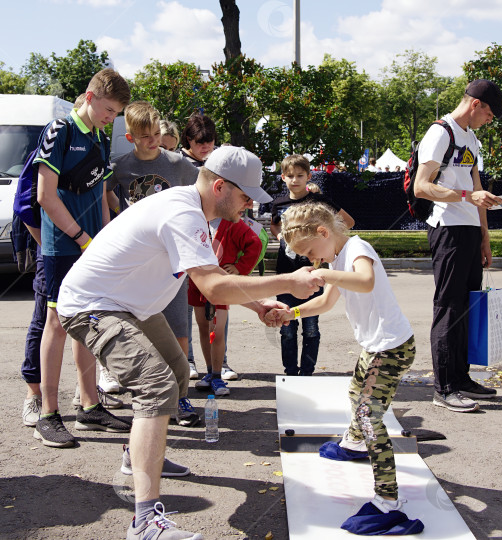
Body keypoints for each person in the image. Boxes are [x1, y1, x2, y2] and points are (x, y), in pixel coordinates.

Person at [55, 145, 323, 540]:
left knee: (179, 369)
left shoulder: (197, 209)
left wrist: (258, 304)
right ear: (219, 187)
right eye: (246, 195)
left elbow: (212, 276)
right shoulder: (184, 213)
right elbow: (214, 286)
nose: (250, 203)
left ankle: (138, 456)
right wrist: (287, 283)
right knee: (156, 385)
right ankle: (144, 523)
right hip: (92, 306)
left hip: (132, 306)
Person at [269, 202, 418, 528]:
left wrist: (323, 272)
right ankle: (352, 444)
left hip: (390, 348)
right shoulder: (337, 257)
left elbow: (366, 281)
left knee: (368, 415)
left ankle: (389, 502)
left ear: (323, 232)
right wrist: (290, 314)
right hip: (377, 346)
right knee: (355, 392)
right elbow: (324, 302)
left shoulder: (357, 248)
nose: (312, 260)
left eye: (310, 251)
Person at [33, 69, 132, 448]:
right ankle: (48, 413)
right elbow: (45, 195)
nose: (111, 117)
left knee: (87, 320)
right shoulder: (60, 130)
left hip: (91, 245)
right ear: (90, 97)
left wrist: (103, 237)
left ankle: (90, 405)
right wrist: (80, 236)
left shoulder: (99, 135)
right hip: (63, 245)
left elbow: (102, 189)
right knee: (56, 323)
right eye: (108, 109)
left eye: (116, 112)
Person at [414, 79, 502, 413]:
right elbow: (421, 187)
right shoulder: (441, 132)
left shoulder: (471, 138)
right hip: (447, 229)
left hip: (468, 230)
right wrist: (468, 197)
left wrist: (484, 236)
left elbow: (475, 184)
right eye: (491, 113)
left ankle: (462, 378)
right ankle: (444, 387)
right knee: (449, 307)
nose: (491, 119)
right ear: (475, 104)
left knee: (467, 306)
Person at [107, 101, 200, 426]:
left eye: (157, 133)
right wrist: (120, 213)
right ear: (131, 137)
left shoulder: (179, 164)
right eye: (146, 136)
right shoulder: (120, 167)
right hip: (136, 264)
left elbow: (201, 192)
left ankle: (182, 398)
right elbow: (106, 193)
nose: (154, 140)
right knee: (138, 330)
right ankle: (148, 397)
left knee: (178, 328)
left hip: (172, 260)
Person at [270, 153, 355, 376]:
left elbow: (348, 221)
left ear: (309, 176)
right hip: (286, 273)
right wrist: (280, 236)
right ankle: (290, 372)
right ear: (283, 177)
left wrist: (329, 242)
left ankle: (307, 373)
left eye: (300, 175)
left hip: (313, 272)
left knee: (311, 328)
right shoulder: (278, 203)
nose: (295, 180)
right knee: (287, 329)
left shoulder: (319, 202)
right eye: (290, 176)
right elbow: (275, 226)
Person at [190, 217, 263, 396]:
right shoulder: (195, 219)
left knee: (217, 330)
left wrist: (239, 268)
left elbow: (255, 244)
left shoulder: (232, 222)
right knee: (203, 327)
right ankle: (209, 372)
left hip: (221, 284)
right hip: (196, 282)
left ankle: (217, 374)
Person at [177, 113, 218, 380]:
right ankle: (188, 360)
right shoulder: (178, 164)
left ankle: (219, 363)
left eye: (209, 141)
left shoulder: (219, 163)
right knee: (184, 305)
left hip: (214, 238)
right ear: (188, 141)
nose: (204, 146)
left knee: (215, 306)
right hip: (184, 238)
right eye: (198, 141)